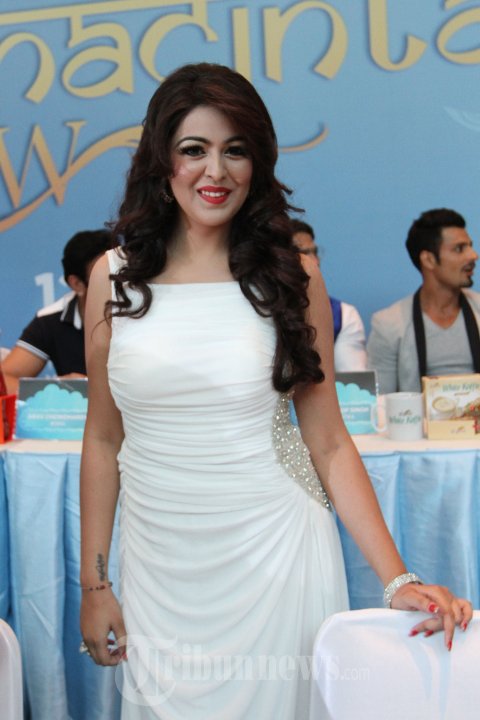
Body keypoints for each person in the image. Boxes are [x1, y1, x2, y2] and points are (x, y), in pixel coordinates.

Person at [79, 64, 471, 719]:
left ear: (257, 162)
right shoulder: (112, 278)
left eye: (235, 150)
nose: (216, 171)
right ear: (161, 159)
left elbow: (327, 441)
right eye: (194, 149)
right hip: (158, 563)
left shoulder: (292, 275)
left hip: (277, 552)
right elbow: (101, 437)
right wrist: (95, 586)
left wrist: (397, 578)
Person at [367, 208, 480, 394]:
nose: (473, 255)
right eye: (459, 249)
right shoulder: (388, 325)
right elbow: (380, 402)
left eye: (470, 246)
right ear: (428, 260)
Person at [2, 229, 114, 395]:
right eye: (107, 278)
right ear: (77, 284)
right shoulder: (51, 321)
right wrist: (57, 389)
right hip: (83, 411)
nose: (120, 285)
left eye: (124, 273)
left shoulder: (142, 311)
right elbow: (6, 379)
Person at [291, 218, 367, 372]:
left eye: (315, 252)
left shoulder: (343, 316)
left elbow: (352, 382)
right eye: (304, 254)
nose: (315, 262)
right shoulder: (257, 311)